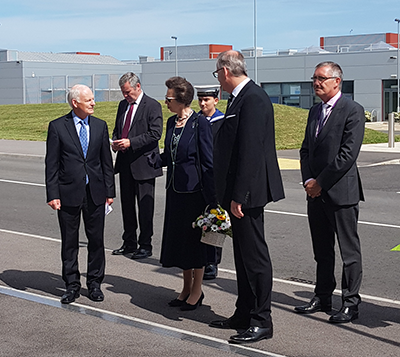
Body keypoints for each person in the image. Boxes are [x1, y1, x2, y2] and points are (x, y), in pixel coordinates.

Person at [210, 50, 285, 344]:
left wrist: (239, 195)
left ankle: (261, 320)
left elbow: (251, 152)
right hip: (238, 191)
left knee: (255, 257)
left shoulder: (253, 98)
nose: (217, 79)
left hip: (249, 192)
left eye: (217, 74)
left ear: (226, 71)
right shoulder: (238, 98)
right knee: (241, 256)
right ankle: (244, 312)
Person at [295, 61, 364, 323]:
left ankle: (350, 302)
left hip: (341, 192)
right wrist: (309, 180)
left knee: (349, 251)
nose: (316, 82)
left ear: (337, 81)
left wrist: (320, 182)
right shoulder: (314, 111)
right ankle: (323, 295)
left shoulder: (352, 110)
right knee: (321, 250)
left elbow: (347, 155)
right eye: (314, 78)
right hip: (315, 192)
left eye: (322, 78)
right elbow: (305, 151)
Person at [149, 76, 216, 311]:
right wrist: (155, 159)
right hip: (175, 191)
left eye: (168, 99)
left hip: (194, 193)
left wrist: (212, 198)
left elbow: (207, 161)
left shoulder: (200, 123)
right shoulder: (171, 123)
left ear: (181, 99)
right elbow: (170, 155)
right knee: (180, 242)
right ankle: (185, 287)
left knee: (194, 243)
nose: (165, 102)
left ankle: (197, 290)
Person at [45, 84, 115, 304]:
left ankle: (94, 284)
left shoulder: (100, 126)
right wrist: (52, 194)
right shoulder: (57, 127)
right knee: (70, 242)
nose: (93, 103)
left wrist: (109, 191)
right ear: (75, 103)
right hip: (68, 193)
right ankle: (71, 285)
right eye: (89, 100)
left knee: (96, 240)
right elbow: (52, 164)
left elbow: (106, 162)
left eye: (94, 99)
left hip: (95, 193)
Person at [111, 72, 163, 259]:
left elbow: (155, 134)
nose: (125, 96)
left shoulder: (152, 106)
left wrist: (131, 142)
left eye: (128, 92)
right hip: (125, 163)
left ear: (138, 87)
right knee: (127, 206)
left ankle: (145, 244)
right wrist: (116, 140)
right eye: (123, 93)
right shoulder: (122, 105)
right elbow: (118, 128)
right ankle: (129, 242)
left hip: (144, 165)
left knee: (145, 207)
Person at [195, 85, 224, 280]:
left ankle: (213, 262)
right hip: (197, 178)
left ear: (216, 100)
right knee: (199, 220)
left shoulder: (222, 121)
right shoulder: (195, 121)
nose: (203, 103)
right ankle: (200, 259)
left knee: (214, 220)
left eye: (207, 99)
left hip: (215, 177)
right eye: (201, 100)